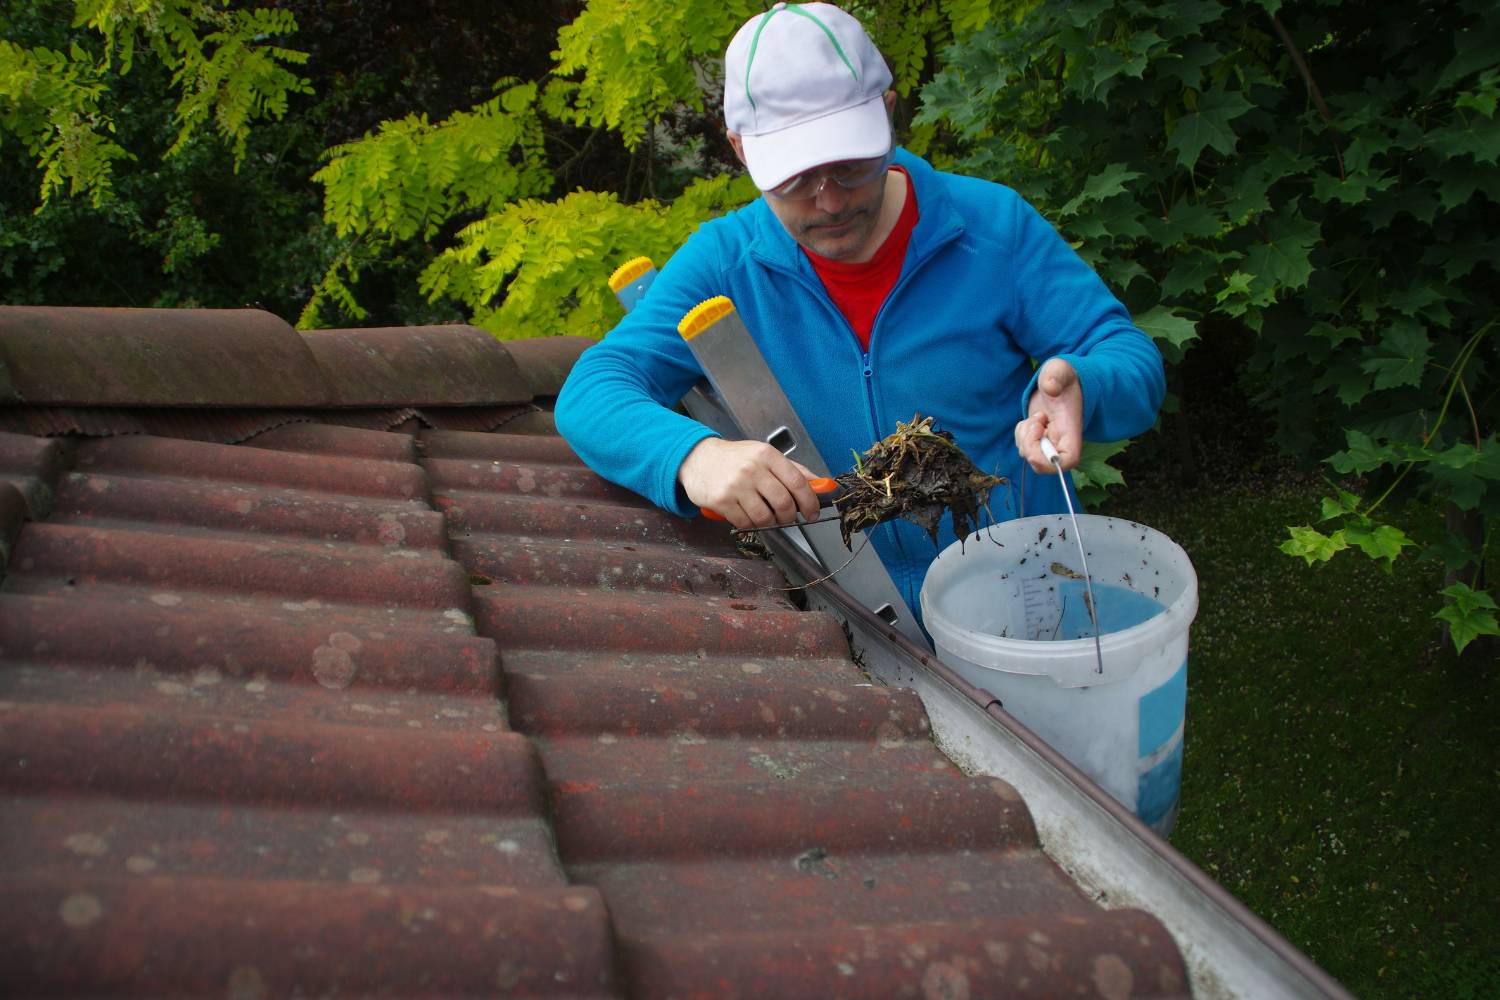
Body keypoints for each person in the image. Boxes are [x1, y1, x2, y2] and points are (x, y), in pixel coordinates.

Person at [555, 1, 1164, 617]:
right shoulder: (723, 265)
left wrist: (1085, 385)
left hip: (1030, 587)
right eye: (793, 178)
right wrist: (692, 456)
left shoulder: (991, 228)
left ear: (888, 115)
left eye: (850, 164)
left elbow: (1130, 356)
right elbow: (595, 389)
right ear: (741, 152)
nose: (829, 201)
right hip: (861, 620)